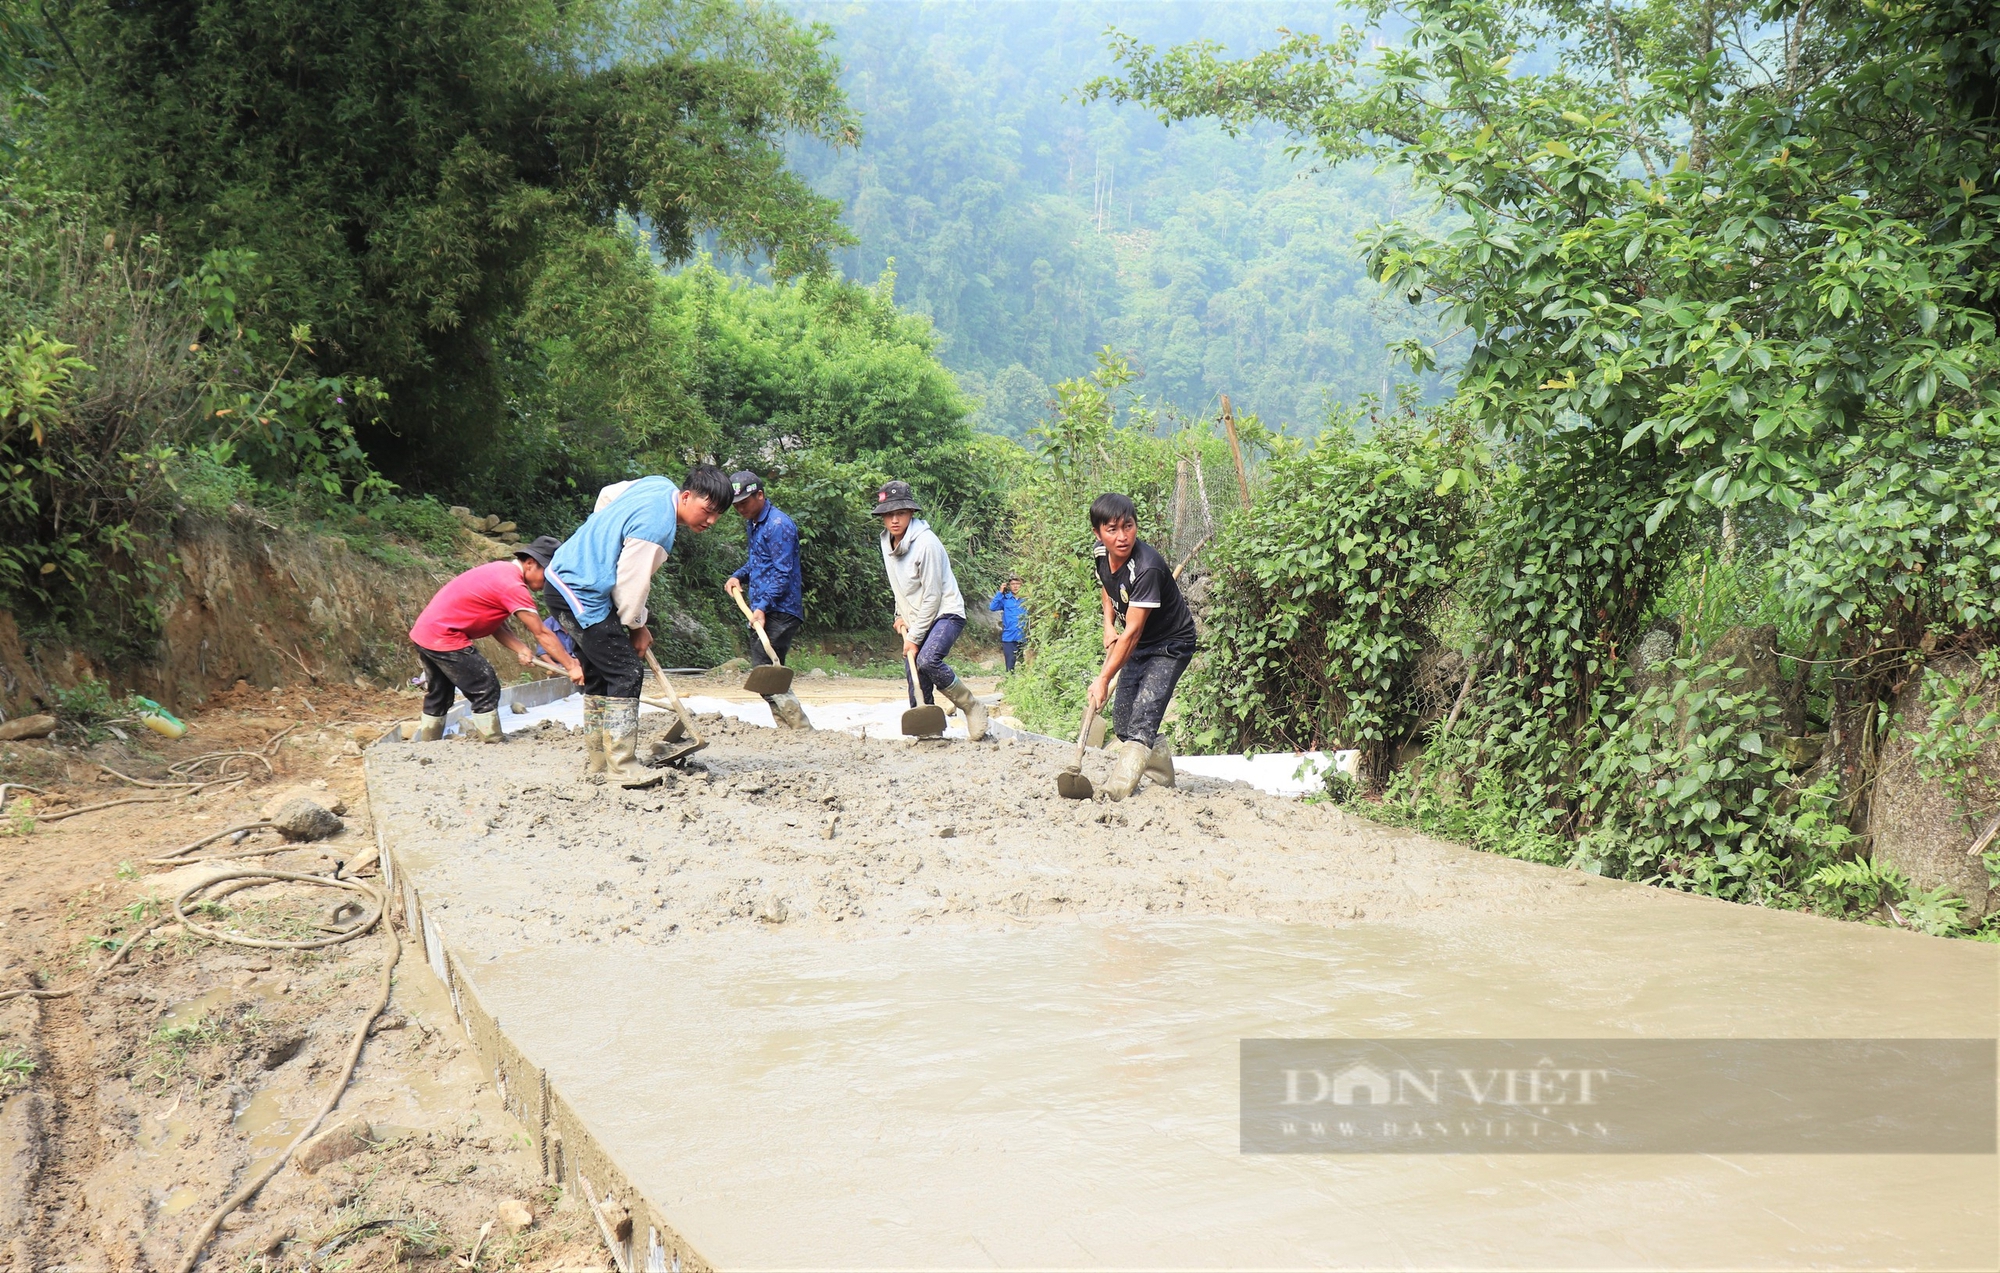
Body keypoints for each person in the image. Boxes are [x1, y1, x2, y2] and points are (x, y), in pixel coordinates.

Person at [543, 466, 733, 786]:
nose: (711, 521)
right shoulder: (656, 529)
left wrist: (601, 537)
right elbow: (630, 587)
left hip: (563, 580)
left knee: (601, 672)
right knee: (626, 671)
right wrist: (636, 627)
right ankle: (621, 765)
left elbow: (607, 494)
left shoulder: (657, 485)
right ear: (686, 497)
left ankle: (599, 762)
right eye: (708, 510)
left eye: (718, 515)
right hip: (580, 592)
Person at [408, 536, 582, 743]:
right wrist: (571, 666)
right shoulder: (513, 586)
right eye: (548, 575)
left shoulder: (499, 571)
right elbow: (541, 632)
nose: (549, 583)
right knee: (485, 686)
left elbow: (494, 624)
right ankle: (492, 740)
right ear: (530, 563)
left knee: (440, 693)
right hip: (446, 636)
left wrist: (520, 648)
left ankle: (428, 742)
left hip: (426, 633)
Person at [1087, 493, 1198, 800]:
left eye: (1128, 526)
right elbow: (1107, 588)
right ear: (1098, 533)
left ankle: (1116, 791)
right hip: (1139, 641)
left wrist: (1104, 678)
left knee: (1142, 721)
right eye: (1112, 529)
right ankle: (1162, 776)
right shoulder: (1100, 553)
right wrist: (1109, 624)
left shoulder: (1146, 567)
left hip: (1171, 643)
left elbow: (1133, 633)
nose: (1122, 537)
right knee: (1122, 721)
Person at [873, 479, 987, 741]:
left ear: (911, 513)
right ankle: (929, 733)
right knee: (916, 677)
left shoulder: (927, 544)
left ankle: (970, 705)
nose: (894, 520)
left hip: (945, 612)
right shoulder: (886, 542)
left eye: (899, 513)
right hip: (916, 617)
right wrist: (898, 615)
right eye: (888, 514)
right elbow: (898, 585)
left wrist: (914, 638)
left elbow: (933, 596)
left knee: (926, 659)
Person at [724, 470, 811, 730]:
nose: (740, 508)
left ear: (760, 495)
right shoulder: (755, 523)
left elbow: (782, 572)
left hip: (780, 610)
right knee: (766, 671)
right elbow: (759, 562)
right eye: (736, 505)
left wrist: (761, 607)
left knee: (767, 671)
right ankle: (788, 728)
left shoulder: (778, 525)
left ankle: (801, 728)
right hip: (764, 608)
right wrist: (738, 576)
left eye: (744, 502)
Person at [988, 575, 1028, 671]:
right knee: (1010, 667)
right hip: (1009, 637)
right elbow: (992, 607)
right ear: (1009, 586)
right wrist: (1000, 592)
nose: (1015, 586)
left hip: (1024, 637)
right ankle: (1010, 683)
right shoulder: (1005, 599)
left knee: (1025, 666)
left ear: (1022, 585)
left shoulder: (1027, 600)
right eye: (1013, 584)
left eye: (1018, 584)